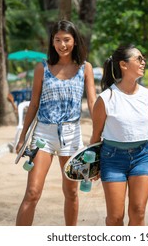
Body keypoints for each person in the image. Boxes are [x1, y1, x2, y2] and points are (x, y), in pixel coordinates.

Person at [14, 20, 96, 226]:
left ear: (75, 41)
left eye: (66, 40)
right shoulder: (42, 68)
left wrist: (100, 133)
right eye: (57, 40)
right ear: (52, 42)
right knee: (32, 192)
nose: (62, 45)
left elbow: (93, 102)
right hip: (44, 134)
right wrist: (23, 137)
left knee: (71, 193)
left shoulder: (85, 68)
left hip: (72, 135)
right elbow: (33, 104)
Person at [90, 44, 148, 226]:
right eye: (139, 59)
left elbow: (139, 127)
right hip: (112, 159)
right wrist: (92, 165)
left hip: (142, 157)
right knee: (116, 217)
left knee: (138, 213)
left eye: (143, 59)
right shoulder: (106, 98)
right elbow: (96, 135)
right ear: (124, 65)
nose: (144, 62)